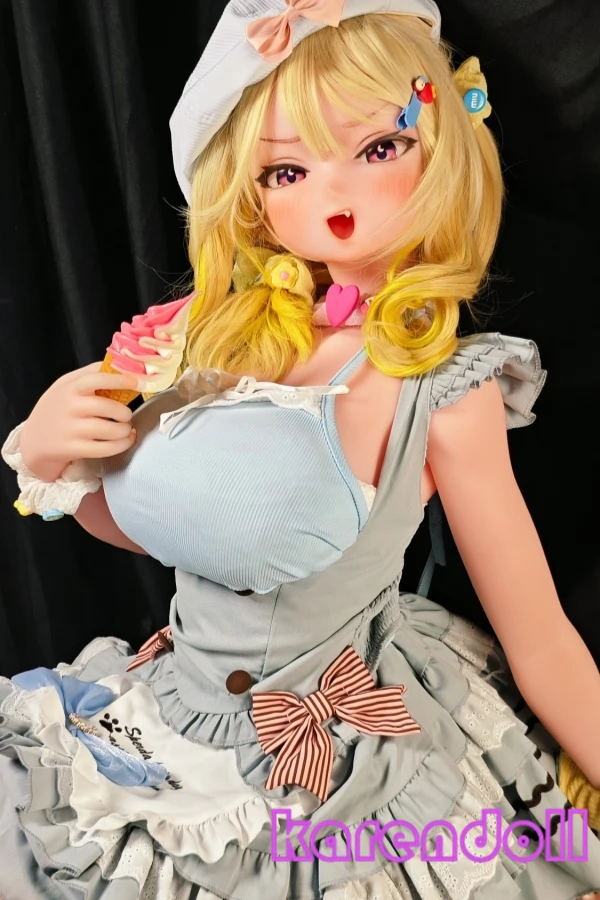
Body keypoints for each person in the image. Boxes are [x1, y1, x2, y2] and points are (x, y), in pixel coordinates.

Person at [2, 1, 600, 897]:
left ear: (441, 147)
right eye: (288, 169)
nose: (334, 200)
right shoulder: (220, 340)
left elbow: (540, 636)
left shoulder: (441, 385)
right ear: (251, 193)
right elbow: (167, 531)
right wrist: (54, 459)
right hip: (165, 717)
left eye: (379, 148)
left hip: (339, 754)